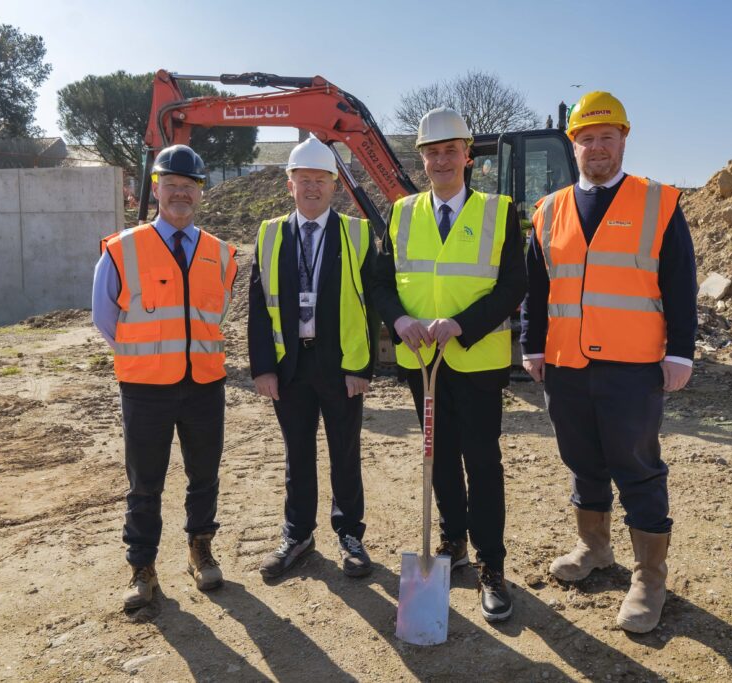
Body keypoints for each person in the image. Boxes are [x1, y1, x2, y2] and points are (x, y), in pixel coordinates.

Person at [520, 91, 697, 634]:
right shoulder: (549, 210)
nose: (596, 148)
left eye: (606, 137)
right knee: (582, 459)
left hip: (633, 365)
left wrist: (680, 352)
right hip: (567, 363)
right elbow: (537, 286)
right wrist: (532, 344)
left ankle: (649, 578)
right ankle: (594, 548)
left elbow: (680, 284)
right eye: (586, 139)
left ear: (624, 139)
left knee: (637, 468)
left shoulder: (658, 202)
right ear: (572, 145)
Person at [371, 108, 527, 623]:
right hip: (422, 362)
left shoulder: (499, 211)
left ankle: (491, 566)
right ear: (422, 160)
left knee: (482, 462)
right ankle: (452, 541)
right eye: (431, 153)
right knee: (438, 458)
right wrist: (397, 321)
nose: (441, 160)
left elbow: (513, 286)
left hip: (476, 362)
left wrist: (462, 323)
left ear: (467, 155)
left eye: (449, 151)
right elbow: (381, 283)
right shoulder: (401, 212)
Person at [92, 144, 238, 610]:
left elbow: (220, 314)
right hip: (145, 388)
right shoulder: (122, 249)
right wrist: (145, 356)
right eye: (171, 185)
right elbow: (104, 318)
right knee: (145, 482)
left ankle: (200, 550)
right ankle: (142, 567)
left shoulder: (220, 253)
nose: (180, 194)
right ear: (156, 189)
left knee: (204, 475)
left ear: (200, 192)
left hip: (204, 385)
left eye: (189, 186)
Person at [248, 137, 379, 579]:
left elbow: (372, 306)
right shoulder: (268, 234)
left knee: (345, 452)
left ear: (334, 185)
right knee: (296, 453)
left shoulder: (358, 234)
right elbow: (257, 304)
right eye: (303, 180)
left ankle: (349, 534)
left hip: (339, 364)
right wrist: (263, 367)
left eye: (320, 180)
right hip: (290, 367)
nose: (311, 188)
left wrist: (361, 367)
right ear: (290, 185)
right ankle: (298, 532)